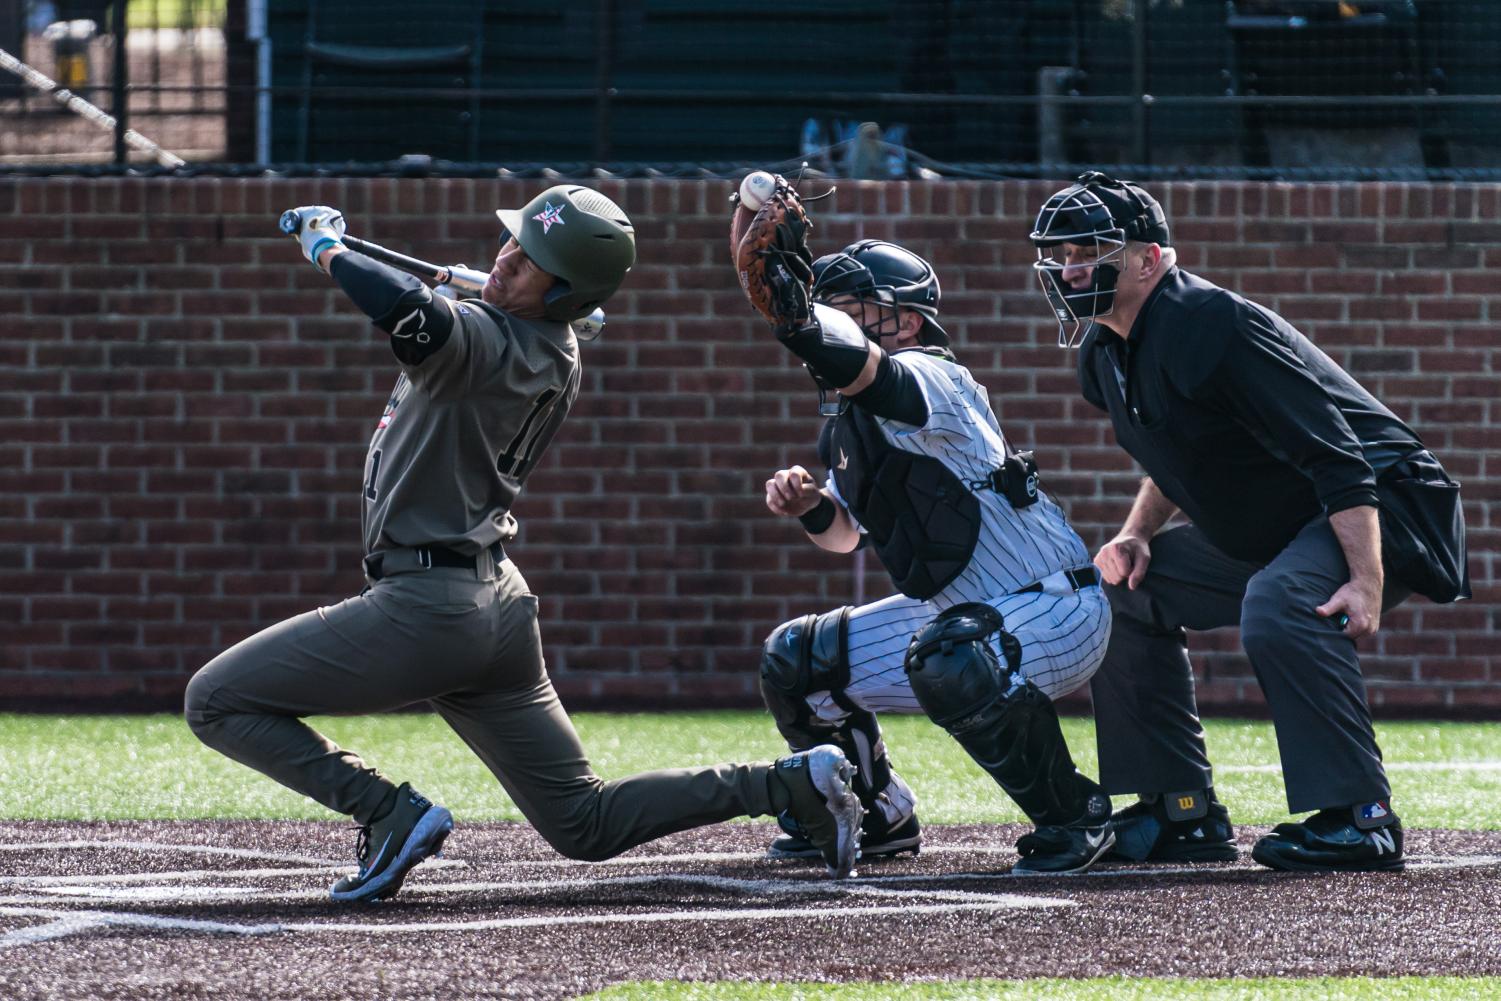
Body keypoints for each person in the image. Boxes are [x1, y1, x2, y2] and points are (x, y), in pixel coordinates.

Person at [184, 185, 863, 903]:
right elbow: (473, 314)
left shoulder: (481, 342)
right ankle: (788, 782)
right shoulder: (551, 343)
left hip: (427, 607)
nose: (506, 259)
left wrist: (328, 248)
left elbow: (406, 311)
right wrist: (524, 290)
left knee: (216, 699)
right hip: (492, 608)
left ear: (564, 291)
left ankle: (385, 810)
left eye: (530, 259)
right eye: (513, 243)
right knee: (583, 820)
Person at [1029, 171, 1472, 872]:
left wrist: (1362, 577)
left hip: (1386, 504)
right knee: (1116, 591)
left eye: (1089, 249)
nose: (1069, 267)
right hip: (1293, 517)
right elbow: (1177, 451)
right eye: (1061, 254)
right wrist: (1137, 532)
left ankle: (1362, 819)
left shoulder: (1209, 322)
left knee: (1280, 601)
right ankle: (1181, 810)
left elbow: (1336, 451)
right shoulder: (1105, 351)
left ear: (1148, 259)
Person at [749, 234, 1116, 875]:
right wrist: (809, 505)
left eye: (849, 306)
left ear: (909, 319)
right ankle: (878, 813)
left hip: (1057, 606)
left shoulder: (934, 375)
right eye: (825, 306)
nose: (833, 318)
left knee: (954, 658)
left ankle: (1074, 818)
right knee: (798, 662)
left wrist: (801, 322)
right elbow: (843, 536)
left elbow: (872, 372)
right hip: (961, 617)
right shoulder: (850, 425)